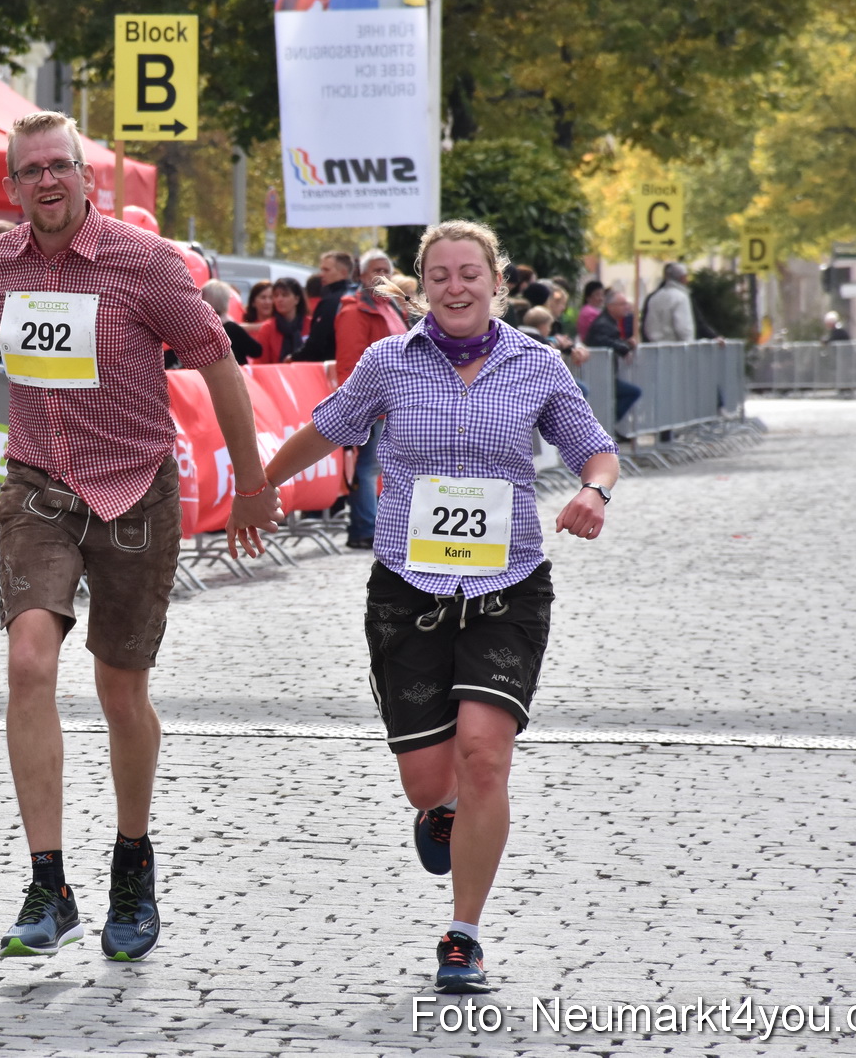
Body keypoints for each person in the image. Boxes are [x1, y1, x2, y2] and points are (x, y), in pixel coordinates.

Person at [0, 110, 281, 963]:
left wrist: (250, 480)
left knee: (120, 690)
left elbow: (216, 362)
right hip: (40, 486)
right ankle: (49, 883)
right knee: (27, 661)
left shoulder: (144, 262)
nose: (47, 181)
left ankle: (133, 860)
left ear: (86, 178)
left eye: (61, 165)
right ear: (13, 187)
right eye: (31, 171)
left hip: (134, 490)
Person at [260, 218, 619, 995]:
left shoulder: (537, 364)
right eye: (442, 275)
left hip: (507, 586)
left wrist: (594, 489)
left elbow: (596, 445)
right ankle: (441, 806)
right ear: (423, 284)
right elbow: (325, 431)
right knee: (429, 779)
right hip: (409, 588)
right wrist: (259, 487)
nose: (457, 287)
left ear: (496, 280)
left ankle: (464, 936)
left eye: (471, 273)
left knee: (486, 754)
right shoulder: (390, 362)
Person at [332, 267, 410, 548]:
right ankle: (366, 528)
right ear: (361, 274)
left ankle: (369, 526)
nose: (382, 275)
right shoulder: (355, 312)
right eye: (375, 269)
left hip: (388, 403)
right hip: (371, 403)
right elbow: (350, 361)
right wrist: (354, 406)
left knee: (370, 468)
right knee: (365, 468)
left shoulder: (388, 306)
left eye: (386, 270)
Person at [585, 291, 644, 422]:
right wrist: (623, 347)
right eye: (622, 304)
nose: (627, 307)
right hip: (600, 374)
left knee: (631, 392)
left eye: (627, 304)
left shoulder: (609, 322)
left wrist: (625, 344)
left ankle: (607, 425)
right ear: (610, 306)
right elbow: (602, 341)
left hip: (605, 374)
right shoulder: (603, 323)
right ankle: (606, 425)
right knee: (632, 392)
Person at [293, 249, 357, 361]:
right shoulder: (359, 296)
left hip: (332, 367)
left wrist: (294, 358)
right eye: (321, 269)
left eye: (326, 270)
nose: (321, 274)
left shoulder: (331, 301)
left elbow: (317, 342)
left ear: (343, 273)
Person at [202, 279, 262, 365]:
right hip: (235, 372)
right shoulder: (231, 327)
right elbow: (256, 350)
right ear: (225, 300)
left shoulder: (200, 327)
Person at [253, 277, 310, 364]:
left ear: (297, 299)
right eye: (276, 295)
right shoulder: (268, 328)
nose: (279, 299)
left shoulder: (310, 324)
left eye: (285, 295)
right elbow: (259, 364)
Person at [641, 262, 695, 343]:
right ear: (682, 277)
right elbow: (683, 327)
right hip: (677, 347)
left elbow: (649, 325)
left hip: (655, 346)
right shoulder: (681, 297)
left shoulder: (655, 297)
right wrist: (689, 342)